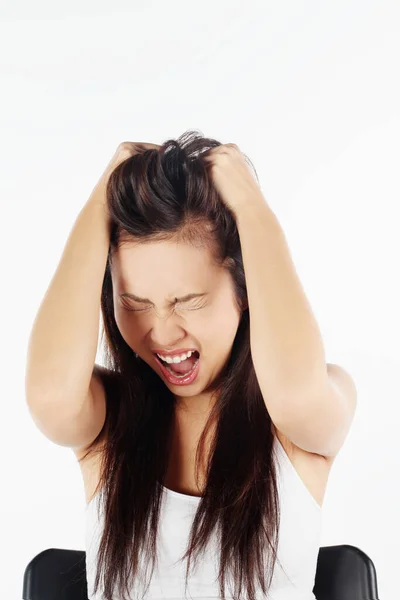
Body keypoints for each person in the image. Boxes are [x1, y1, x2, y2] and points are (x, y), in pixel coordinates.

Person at [26, 130, 335, 600]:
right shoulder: (109, 423)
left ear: (245, 290)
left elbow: (294, 394)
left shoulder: (307, 412)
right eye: (135, 303)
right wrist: (100, 201)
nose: (163, 333)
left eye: (188, 301)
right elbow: (49, 396)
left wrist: (253, 214)